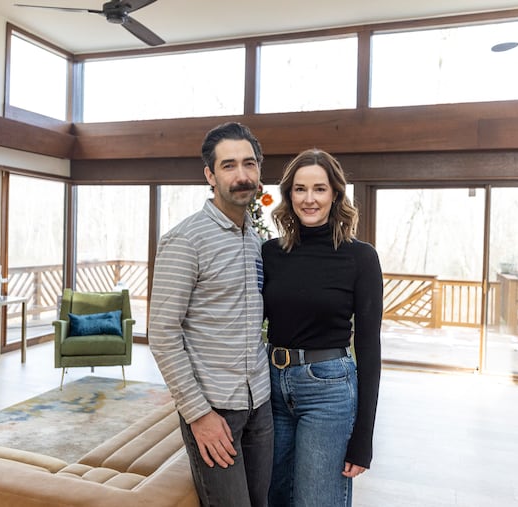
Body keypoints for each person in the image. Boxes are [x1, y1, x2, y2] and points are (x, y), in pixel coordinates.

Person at [149, 122, 273, 507]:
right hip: (213, 408)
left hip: (260, 406)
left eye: (249, 164)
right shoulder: (185, 240)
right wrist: (199, 415)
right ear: (210, 174)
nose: (242, 176)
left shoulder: (254, 238)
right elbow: (163, 333)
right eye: (229, 165)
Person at [262, 148, 383, 507]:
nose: (309, 199)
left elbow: (370, 347)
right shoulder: (270, 253)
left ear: (335, 194)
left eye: (319, 189)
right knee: (273, 497)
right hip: (271, 386)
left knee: (316, 501)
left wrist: (363, 437)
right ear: (289, 195)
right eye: (300, 189)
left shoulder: (360, 257)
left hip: (328, 391)